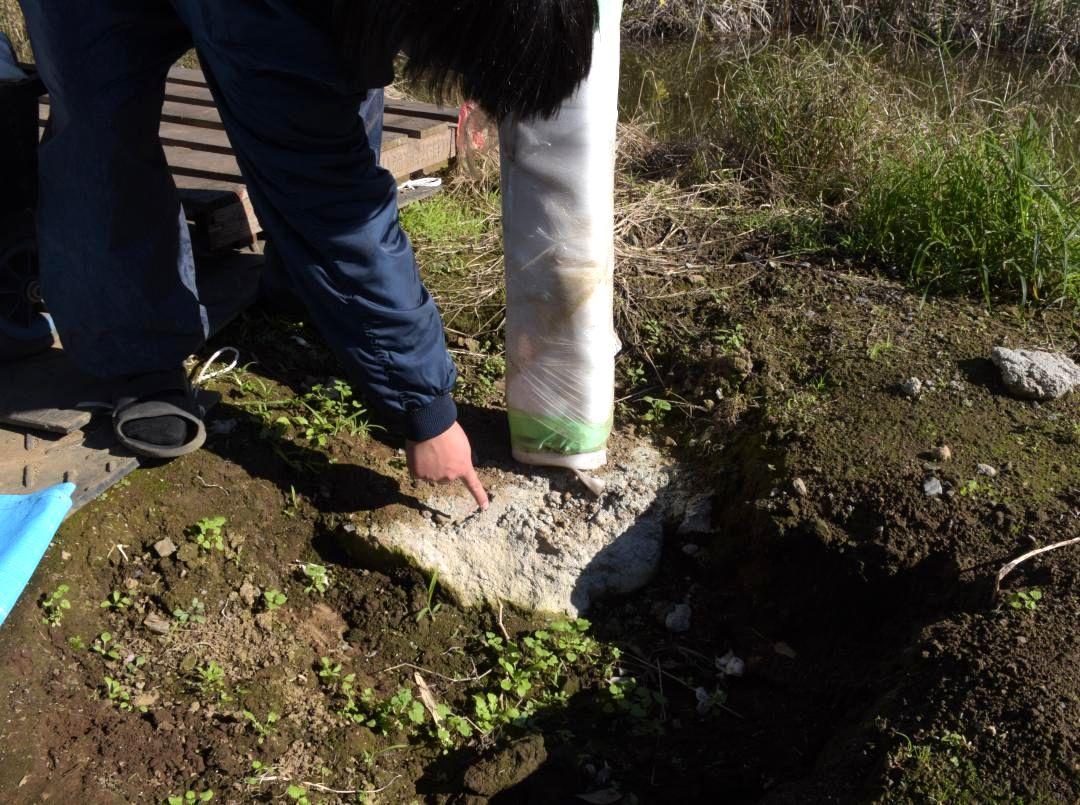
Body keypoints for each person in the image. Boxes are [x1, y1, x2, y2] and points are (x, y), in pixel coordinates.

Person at [17, 0, 599, 510]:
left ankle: (300, 286)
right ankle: (138, 354)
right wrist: (426, 410)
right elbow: (335, 205)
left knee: (344, 85)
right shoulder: (274, 19)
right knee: (101, 125)